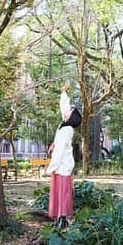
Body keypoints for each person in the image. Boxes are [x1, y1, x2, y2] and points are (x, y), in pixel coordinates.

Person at [45, 82, 81, 229]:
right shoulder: (65, 126)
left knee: (62, 194)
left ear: (71, 118)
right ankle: (60, 219)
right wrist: (64, 93)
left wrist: (49, 168)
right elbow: (64, 108)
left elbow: (59, 152)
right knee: (60, 194)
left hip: (62, 166)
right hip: (60, 167)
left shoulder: (66, 131)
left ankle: (62, 220)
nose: (67, 111)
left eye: (70, 112)